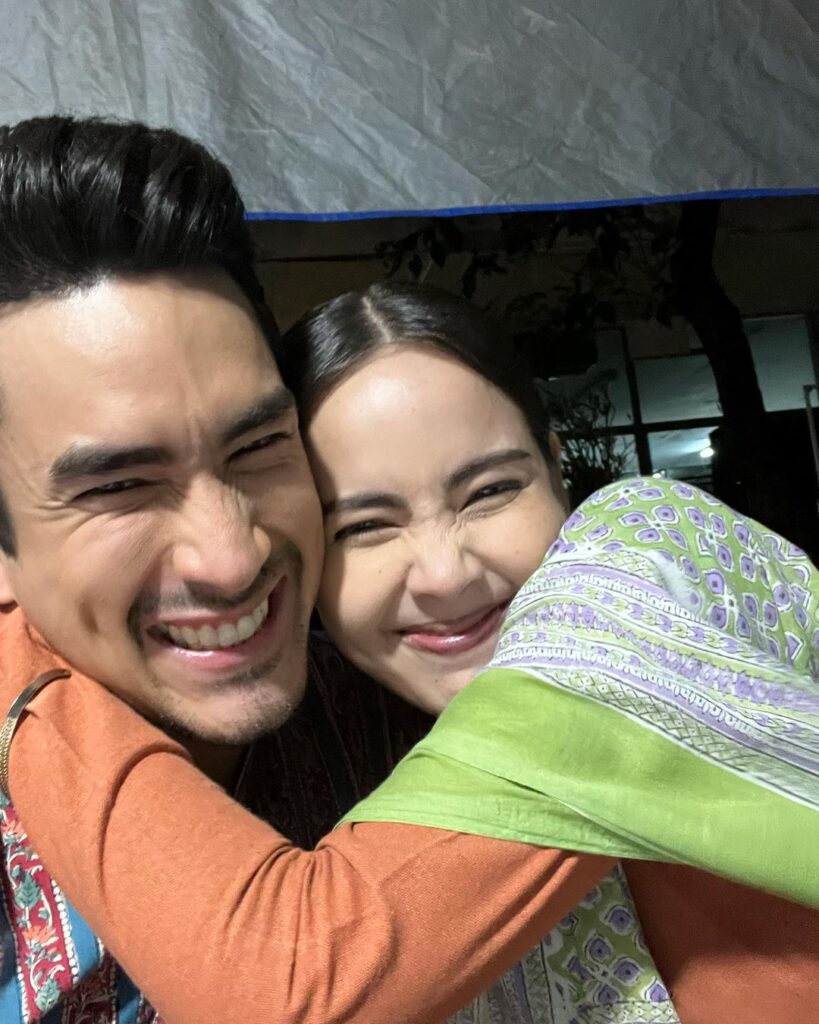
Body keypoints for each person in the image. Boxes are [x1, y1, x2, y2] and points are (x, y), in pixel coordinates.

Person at [1, 119, 817, 1024]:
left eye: (259, 447)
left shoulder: (630, 574)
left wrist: (26, 690)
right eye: (117, 486)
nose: (232, 558)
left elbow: (292, 987)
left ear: (558, 467)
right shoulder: (394, 692)